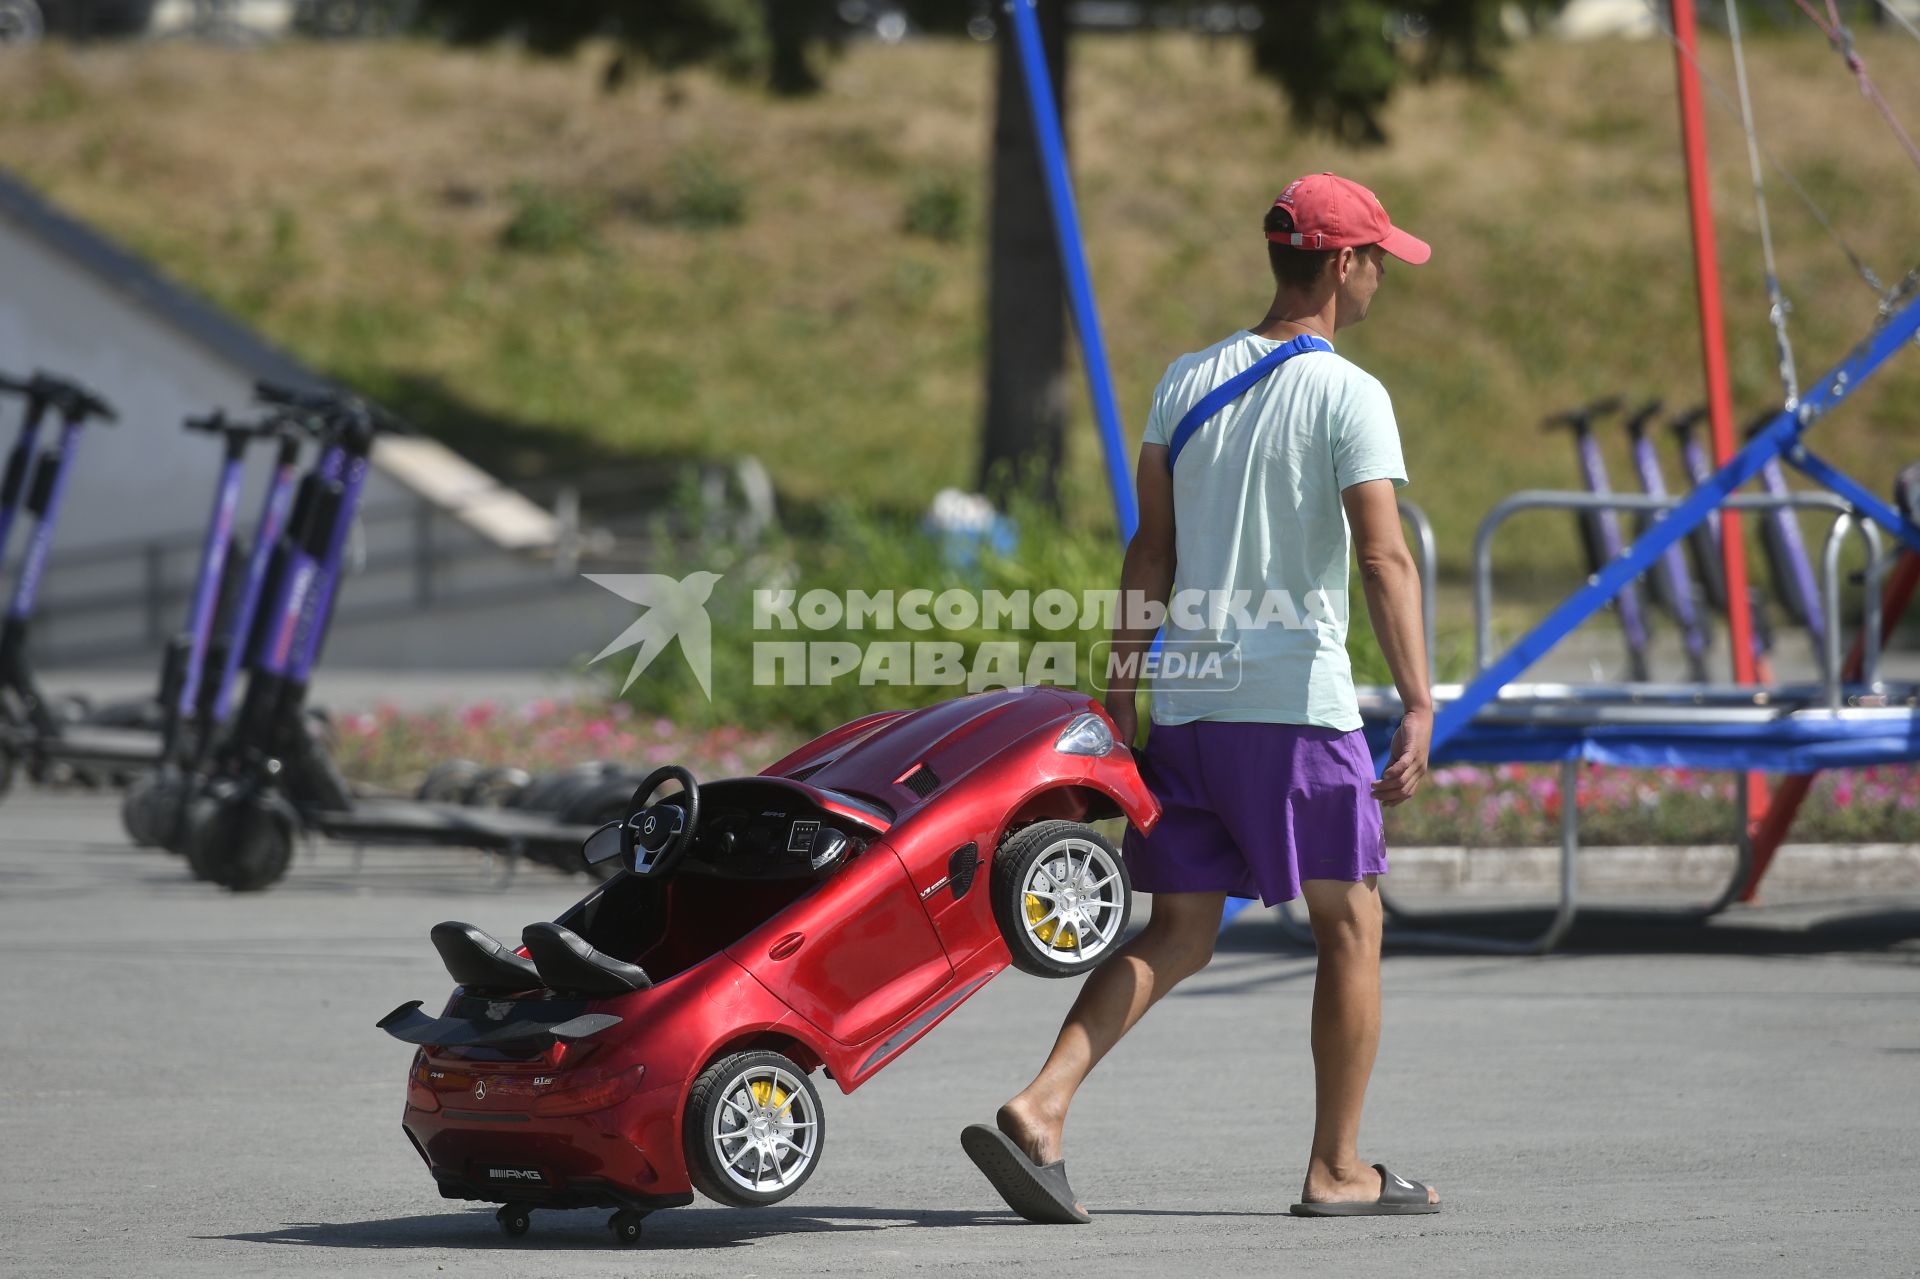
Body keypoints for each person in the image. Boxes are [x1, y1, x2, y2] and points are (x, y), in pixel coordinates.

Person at [961, 172, 1439, 1222]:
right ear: (1345, 263)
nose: (1379, 281)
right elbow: (1385, 556)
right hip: (1293, 710)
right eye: (1378, 261)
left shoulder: (1183, 381)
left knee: (1177, 928)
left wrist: (1122, 693)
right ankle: (1338, 1167)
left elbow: (1151, 552)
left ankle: (1043, 1102)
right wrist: (1417, 701)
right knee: (1350, 926)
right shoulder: (1349, 394)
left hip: (1186, 701)